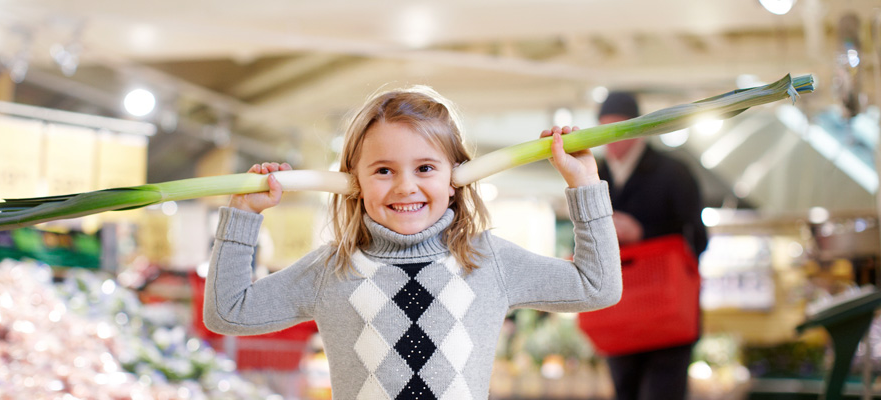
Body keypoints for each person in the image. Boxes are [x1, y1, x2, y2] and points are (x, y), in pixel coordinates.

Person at [203, 86, 622, 399]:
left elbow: (597, 285)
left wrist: (585, 184)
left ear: (455, 177)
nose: (405, 187)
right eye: (384, 170)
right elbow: (228, 312)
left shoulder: (488, 261)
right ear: (354, 181)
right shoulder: (332, 270)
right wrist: (243, 215)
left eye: (424, 168)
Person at [596, 91, 709, 400]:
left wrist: (642, 233)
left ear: (636, 128)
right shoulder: (594, 176)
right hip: (619, 314)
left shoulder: (674, 173)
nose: (611, 140)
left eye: (618, 129)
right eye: (604, 130)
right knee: (624, 391)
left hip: (668, 312)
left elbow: (697, 239)